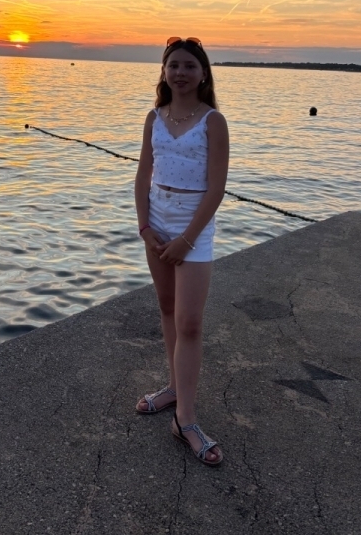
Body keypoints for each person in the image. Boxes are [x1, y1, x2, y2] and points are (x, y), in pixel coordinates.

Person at [134, 37, 229, 466]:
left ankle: (185, 420)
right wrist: (145, 227)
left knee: (190, 323)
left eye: (190, 65)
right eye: (173, 65)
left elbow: (216, 188)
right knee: (167, 308)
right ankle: (173, 389)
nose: (181, 72)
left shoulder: (213, 121)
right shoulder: (154, 117)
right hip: (157, 221)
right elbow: (143, 175)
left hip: (194, 226)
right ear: (164, 71)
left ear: (203, 73)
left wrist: (187, 239)